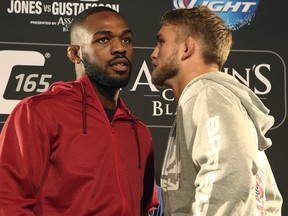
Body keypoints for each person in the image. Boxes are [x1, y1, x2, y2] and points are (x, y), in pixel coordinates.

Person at [0, 7, 159, 215]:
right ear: (75, 53)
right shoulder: (38, 112)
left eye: (127, 40)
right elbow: (9, 200)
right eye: (103, 40)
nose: (120, 48)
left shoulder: (139, 132)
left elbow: (146, 208)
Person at [150, 5, 282, 215]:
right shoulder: (220, 99)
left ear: (187, 48)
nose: (154, 54)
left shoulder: (207, 94)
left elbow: (228, 173)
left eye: (161, 42)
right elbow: (269, 200)